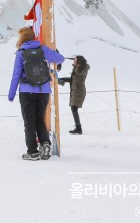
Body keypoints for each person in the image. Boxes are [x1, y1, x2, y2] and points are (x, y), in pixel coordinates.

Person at [8, 27, 65, 160]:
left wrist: (11, 94)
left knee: (29, 122)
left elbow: (16, 75)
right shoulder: (43, 49)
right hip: (44, 90)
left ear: (22, 38)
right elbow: (60, 59)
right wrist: (54, 52)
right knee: (40, 119)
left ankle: (32, 152)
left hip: (26, 91)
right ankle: (45, 143)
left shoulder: (21, 52)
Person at [58, 55, 89, 134]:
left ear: (79, 61)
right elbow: (72, 79)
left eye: (75, 61)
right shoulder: (79, 68)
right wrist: (62, 79)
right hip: (76, 90)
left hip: (79, 91)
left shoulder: (82, 68)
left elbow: (78, 72)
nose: (73, 62)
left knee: (73, 108)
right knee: (74, 108)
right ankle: (78, 127)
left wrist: (77, 65)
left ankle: (78, 128)